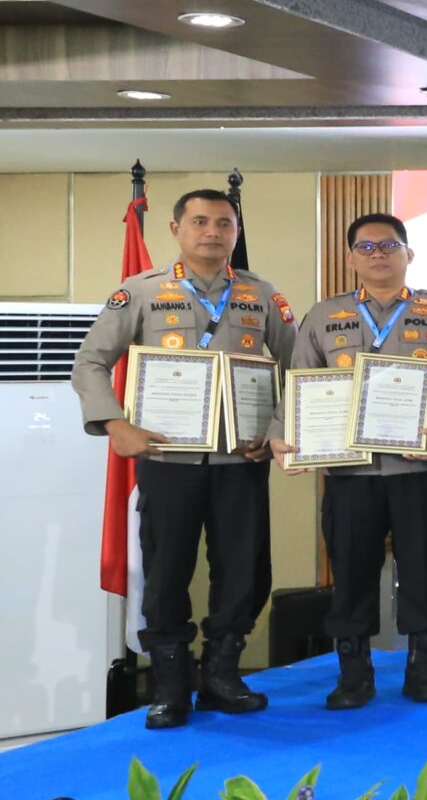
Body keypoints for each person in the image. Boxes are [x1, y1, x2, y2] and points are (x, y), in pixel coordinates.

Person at [73, 188, 295, 728]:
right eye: (200, 221)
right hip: (167, 459)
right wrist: (116, 425)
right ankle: (170, 687)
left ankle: (221, 677)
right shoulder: (141, 291)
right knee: (167, 571)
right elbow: (90, 361)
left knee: (244, 571)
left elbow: (300, 368)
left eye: (224, 223)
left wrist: (275, 430)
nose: (212, 231)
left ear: (236, 232)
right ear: (176, 229)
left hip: (241, 460)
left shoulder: (263, 295)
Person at [286, 212, 427, 709]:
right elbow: (300, 384)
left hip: (419, 469)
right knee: (350, 569)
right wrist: (294, 439)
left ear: (408, 253)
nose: (378, 255)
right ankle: (354, 674)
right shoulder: (324, 315)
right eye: (366, 247)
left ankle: (423, 668)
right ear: (350, 258)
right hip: (350, 473)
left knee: (422, 567)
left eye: (388, 245)